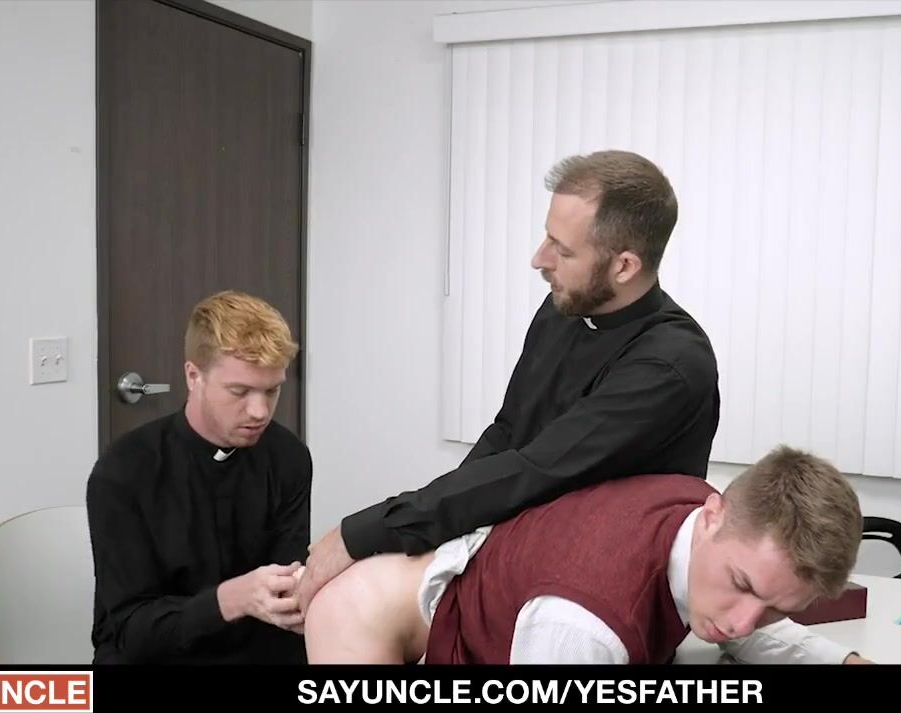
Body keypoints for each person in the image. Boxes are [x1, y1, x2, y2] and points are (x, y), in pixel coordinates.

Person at [297, 150, 721, 613]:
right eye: (547, 236)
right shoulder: (564, 311)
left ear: (624, 267)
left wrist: (365, 531)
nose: (540, 259)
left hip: (603, 589)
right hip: (527, 546)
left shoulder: (669, 366)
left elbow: (536, 469)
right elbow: (508, 433)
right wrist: (419, 533)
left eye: (563, 250)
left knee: (358, 599)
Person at [303, 445, 869, 665]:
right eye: (742, 585)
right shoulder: (582, 626)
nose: (743, 623)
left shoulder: (702, 515)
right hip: (370, 616)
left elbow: (743, 622)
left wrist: (841, 662)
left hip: (483, 586)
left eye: (774, 608)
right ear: (713, 517)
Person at [86, 290, 313, 664]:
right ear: (194, 376)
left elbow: (283, 588)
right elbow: (130, 630)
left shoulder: (288, 457)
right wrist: (231, 599)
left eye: (272, 390)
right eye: (239, 391)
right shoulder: (124, 471)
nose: (260, 411)